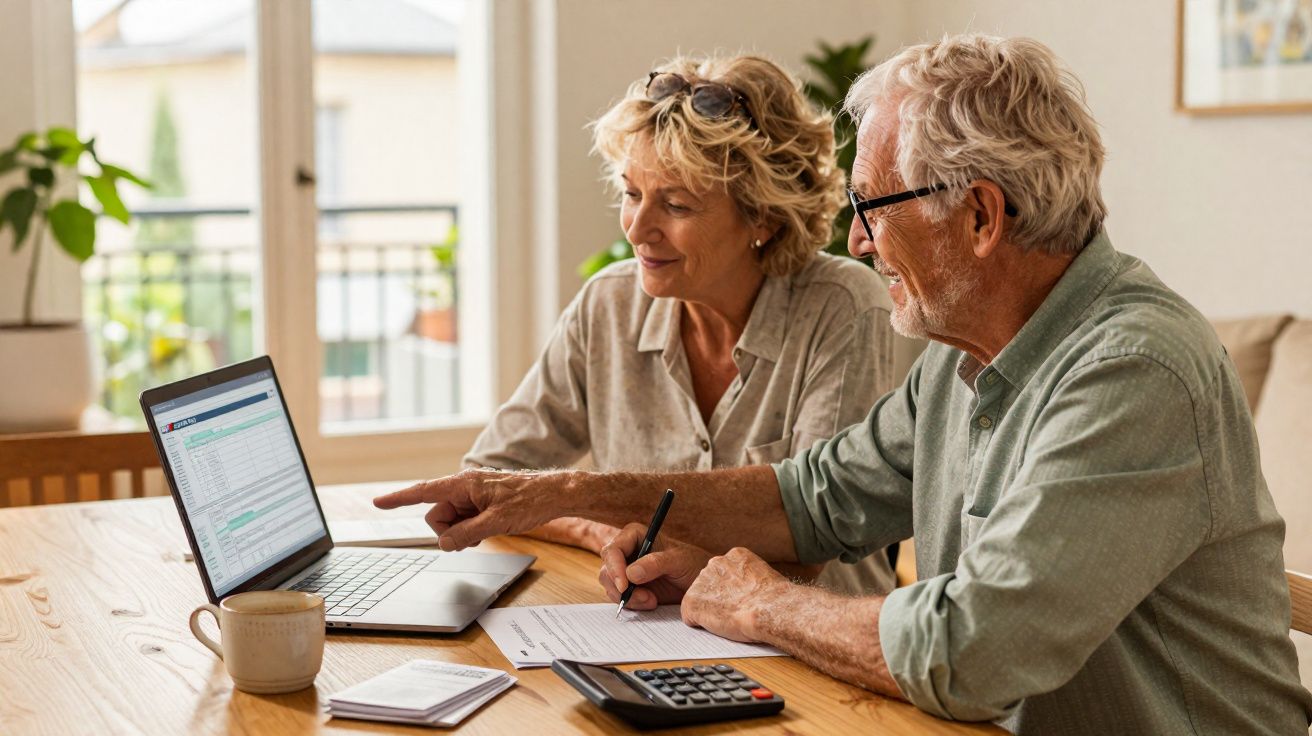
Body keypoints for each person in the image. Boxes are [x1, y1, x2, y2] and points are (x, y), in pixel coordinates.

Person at [375, 34, 1312, 733]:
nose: (856, 238)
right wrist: (563, 491)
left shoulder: (1129, 373)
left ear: (980, 215)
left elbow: (972, 651)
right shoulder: (967, 352)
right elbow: (809, 498)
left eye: (871, 207)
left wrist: (760, 603)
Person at [461, 54, 897, 594]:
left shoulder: (842, 305)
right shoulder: (609, 303)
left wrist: (618, 525)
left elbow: (808, 543)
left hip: (807, 643)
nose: (638, 230)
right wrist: (605, 532)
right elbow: (495, 477)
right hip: (651, 627)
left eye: (677, 205)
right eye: (632, 194)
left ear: (762, 214)